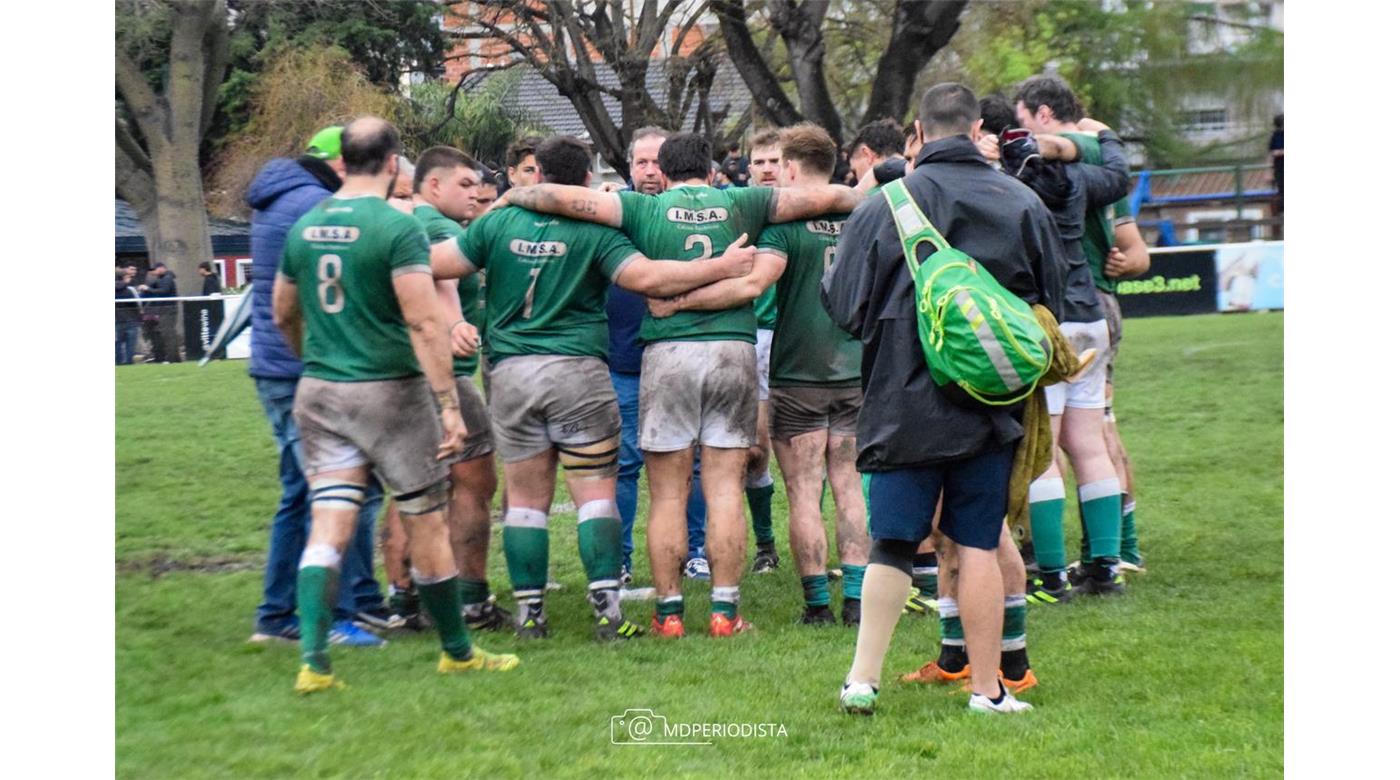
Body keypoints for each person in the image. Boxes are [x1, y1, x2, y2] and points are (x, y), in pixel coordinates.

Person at [502, 132, 861, 638]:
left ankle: (669, 614)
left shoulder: (641, 207)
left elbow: (559, 197)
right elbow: (835, 197)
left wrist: (516, 192)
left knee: (667, 493)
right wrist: (855, 191)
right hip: (732, 352)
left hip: (667, 354)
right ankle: (725, 612)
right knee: (723, 490)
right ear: (712, 170)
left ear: (663, 175)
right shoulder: (744, 199)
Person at [431, 134, 757, 640]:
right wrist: (721, 267)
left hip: (512, 373)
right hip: (579, 371)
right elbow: (648, 277)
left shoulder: (496, 221)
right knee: (595, 495)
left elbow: (435, 265)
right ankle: (608, 610)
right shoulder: (594, 229)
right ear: (588, 180)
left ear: (536, 174)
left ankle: (530, 614)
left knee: (523, 498)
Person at [825, 83, 1066, 716]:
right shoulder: (1020, 200)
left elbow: (844, 306)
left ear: (918, 130)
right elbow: (1051, 308)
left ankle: (861, 681)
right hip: (990, 402)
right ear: (978, 125)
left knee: (894, 542)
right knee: (979, 542)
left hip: (901, 397)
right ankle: (988, 691)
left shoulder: (885, 205)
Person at [274, 116, 519, 694]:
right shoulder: (395, 225)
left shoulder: (305, 223)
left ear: (343, 161)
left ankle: (313, 662)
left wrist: (315, 356)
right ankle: (457, 651)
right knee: (425, 517)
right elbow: (421, 319)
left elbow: (284, 310)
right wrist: (448, 405)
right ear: (391, 164)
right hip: (389, 392)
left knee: (329, 520)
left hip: (320, 391)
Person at [653, 123, 871, 626]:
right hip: (856, 369)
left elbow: (752, 285)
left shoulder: (784, 226)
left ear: (790, 169)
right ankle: (856, 602)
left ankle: (817, 604)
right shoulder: (864, 218)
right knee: (849, 486)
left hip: (799, 374)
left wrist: (679, 300)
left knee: (803, 491)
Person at [244, 124, 388, 648]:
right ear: (342, 165)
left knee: (307, 490)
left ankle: (323, 605)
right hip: (302, 368)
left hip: (279, 366)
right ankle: (317, 614)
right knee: (329, 493)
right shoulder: (316, 207)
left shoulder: (280, 197)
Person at [1016, 75, 1151, 576]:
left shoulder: (1018, 184)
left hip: (1049, 320)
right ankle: (1106, 565)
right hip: (1092, 312)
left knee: (1044, 450)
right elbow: (1118, 177)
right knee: (1091, 444)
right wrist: (1108, 137)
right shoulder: (1084, 177)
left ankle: (1050, 572)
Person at [391, 145, 508, 633]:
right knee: (475, 484)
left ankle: (402, 599)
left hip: (399, 375)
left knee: (411, 489)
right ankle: (471, 599)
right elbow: (439, 283)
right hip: (446, 375)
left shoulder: (397, 224)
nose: (475, 194)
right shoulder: (438, 228)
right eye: (464, 185)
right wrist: (456, 323)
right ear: (432, 185)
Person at [601, 126, 710, 585]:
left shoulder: (700, 213)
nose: (650, 171)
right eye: (641, 162)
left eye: (657, 162)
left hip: (683, 354)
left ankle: (698, 548)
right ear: (628, 167)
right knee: (623, 464)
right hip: (623, 361)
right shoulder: (612, 211)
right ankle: (621, 559)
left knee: (696, 461)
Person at [742, 128, 784, 574]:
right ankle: (765, 546)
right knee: (756, 449)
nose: (768, 168)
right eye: (761, 161)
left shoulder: (808, 208)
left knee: (814, 451)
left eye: (775, 160)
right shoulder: (738, 208)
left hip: (803, 343)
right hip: (754, 338)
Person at [138, 263, 180, 363]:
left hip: (168, 310)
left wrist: (148, 289)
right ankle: (170, 358)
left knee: (168, 334)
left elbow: (163, 291)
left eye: (156, 270)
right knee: (165, 334)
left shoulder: (167, 278)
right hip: (164, 310)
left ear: (162, 268)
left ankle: (172, 358)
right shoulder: (162, 279)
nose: (155, 272)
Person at [846, 119, 906, 184]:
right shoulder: (915, 177)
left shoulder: (880, 192)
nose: (858, 180)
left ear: (867, 154)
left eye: (855, 172)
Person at [116, 267, 142, 365]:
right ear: (124, 277)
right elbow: (137, 304)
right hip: (131, 320)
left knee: (117, 344)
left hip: (117, 321)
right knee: (130, 345)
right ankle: (128, 363)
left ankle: (118, 363)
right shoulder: (130, 290)